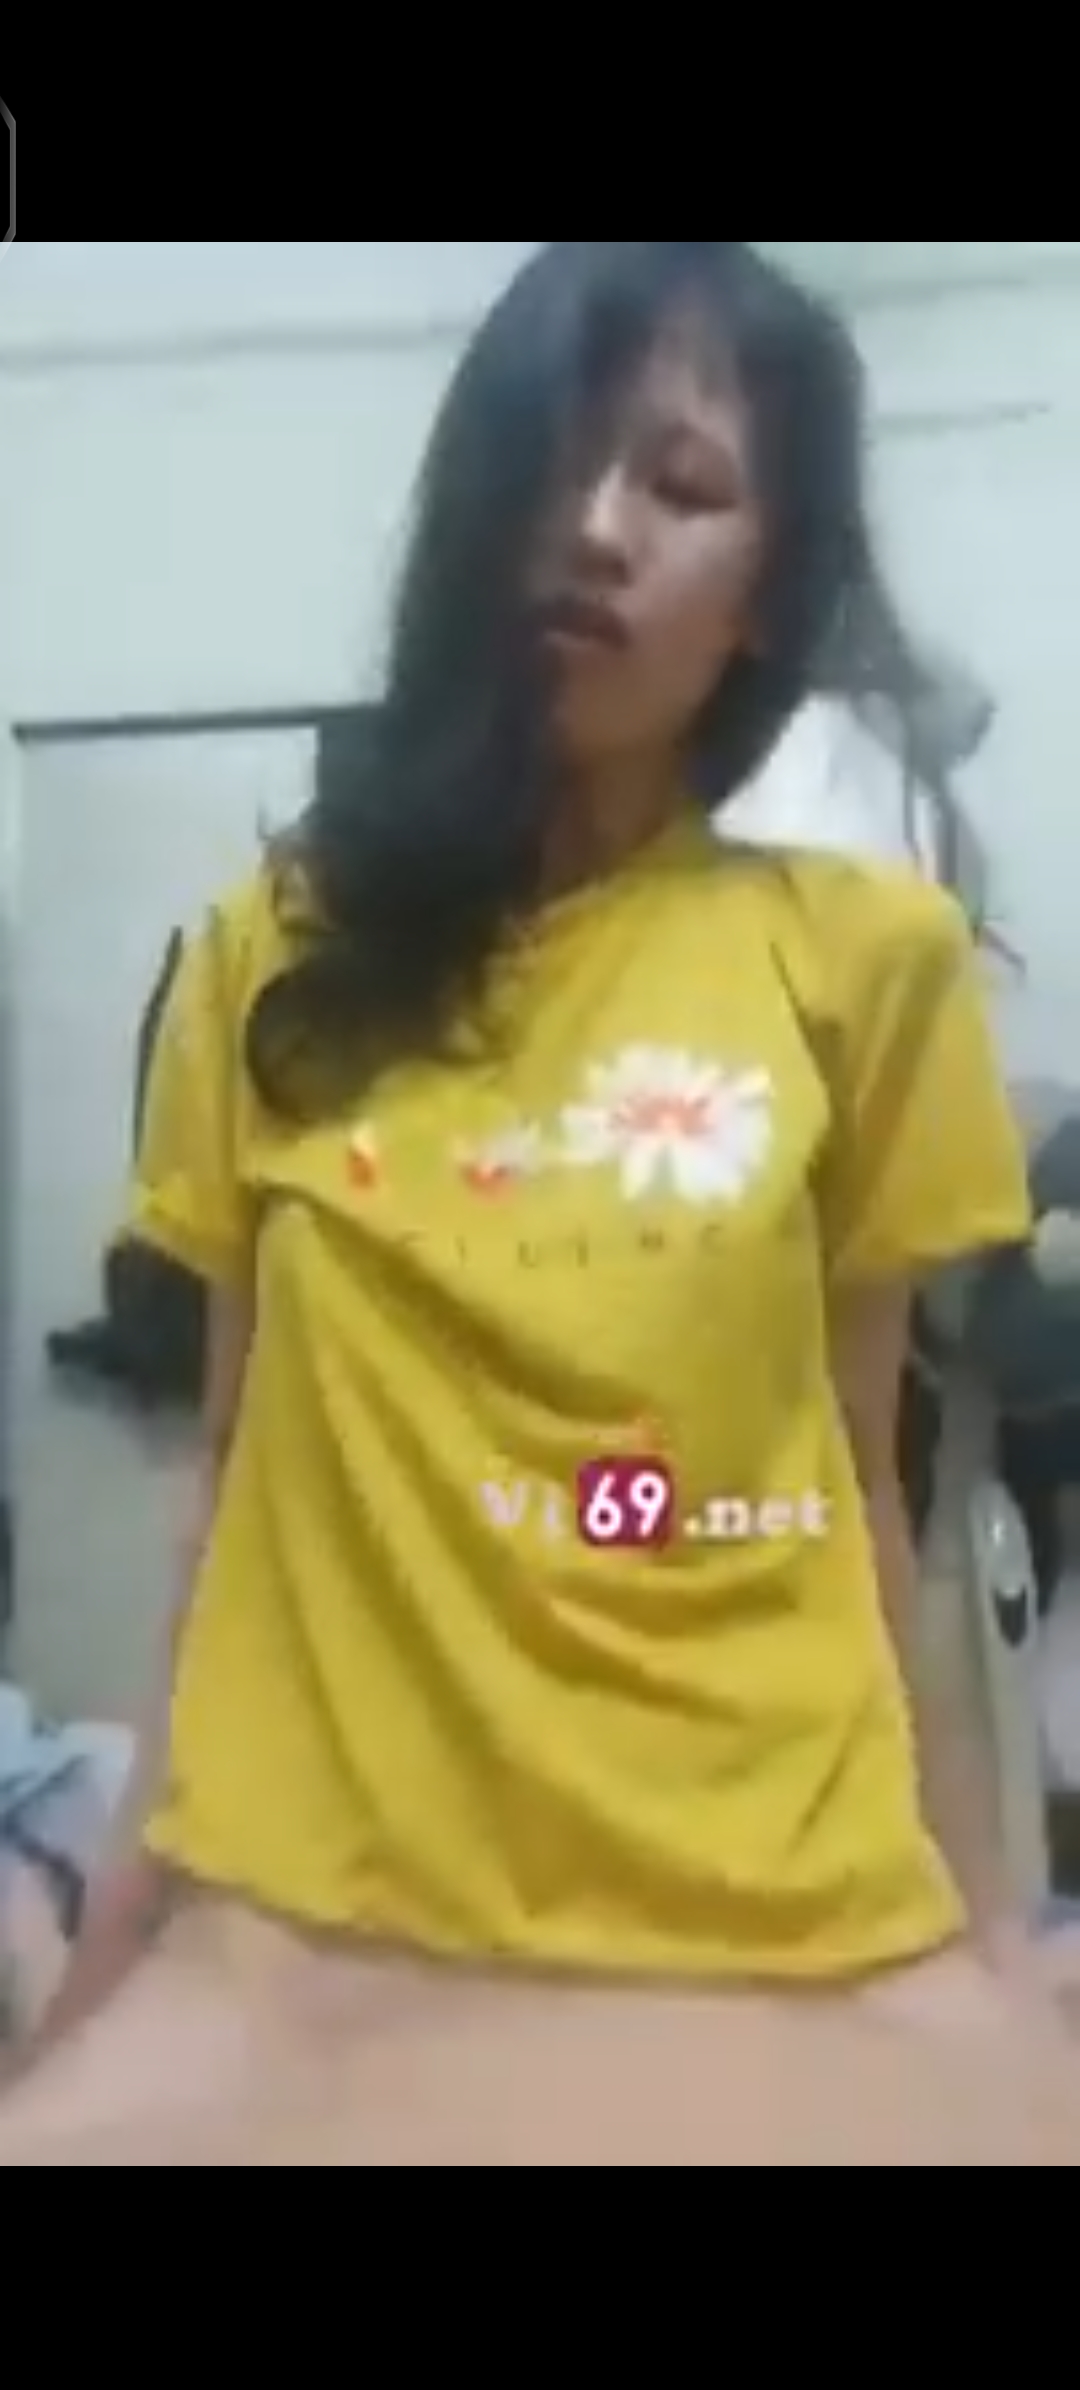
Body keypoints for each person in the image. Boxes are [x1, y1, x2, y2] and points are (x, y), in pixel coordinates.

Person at [3, 239, 1077, 2166]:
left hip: (772, 1918)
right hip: (306, 1932)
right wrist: (122, 1922)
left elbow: (870, 1484)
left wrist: (990, 1938)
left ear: (767, 595)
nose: (594, 528)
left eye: (682, 484)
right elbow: (225, 1479)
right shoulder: (275, 954)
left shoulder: (869, 962)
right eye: (553, 462)